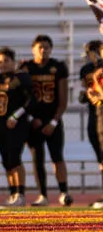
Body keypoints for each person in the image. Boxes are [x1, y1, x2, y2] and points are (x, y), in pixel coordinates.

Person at [20, 34, 72, 206]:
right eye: (40, 47)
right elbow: (21, 98)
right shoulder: (26, 68)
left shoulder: (57, 67)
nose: (43, 50)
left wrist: (53, 122)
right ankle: (43, 195)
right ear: (33, 49)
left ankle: (64, 192)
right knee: (38, 159)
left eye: (46, 47)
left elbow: (63, 100)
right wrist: (30, 118)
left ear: (51, 49)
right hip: (33, 121)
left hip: (53, 120)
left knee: (57, 157)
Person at [0, 47, 33, 206]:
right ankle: (13, 192)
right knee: (6, 160)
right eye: (0, 62)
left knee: (15, 157)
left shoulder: (22, 77)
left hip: (18, 123)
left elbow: (31, 100)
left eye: (6, 61)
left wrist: (16, 115)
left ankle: (20, 194)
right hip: (2, 124)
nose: (2, 65)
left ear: (13, 62)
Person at [78, 39, 103, 208]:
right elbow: (85, 93)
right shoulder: (86, 70)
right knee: (101, 157)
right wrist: (87, 94)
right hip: (95, 114)